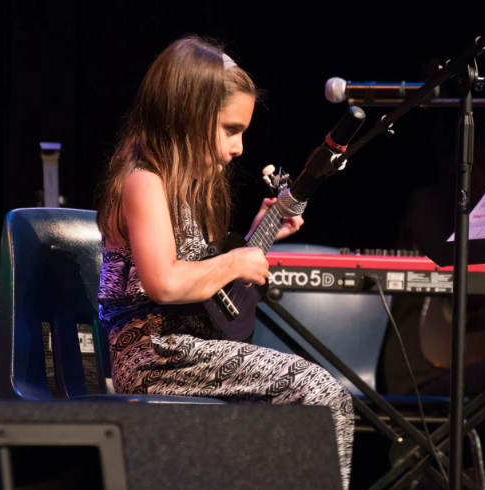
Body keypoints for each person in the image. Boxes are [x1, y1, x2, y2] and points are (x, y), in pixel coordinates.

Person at [95, 36, 353, 489]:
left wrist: (256, 238)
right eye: (230, 129)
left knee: (310, 398)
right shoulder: (142, 182)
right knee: (318, 394)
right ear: (186, 117)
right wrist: (236, 260)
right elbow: (165, 285)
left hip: (191, 349)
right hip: (157, 358)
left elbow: (205, 288)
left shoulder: (184, 189)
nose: (238, 148)